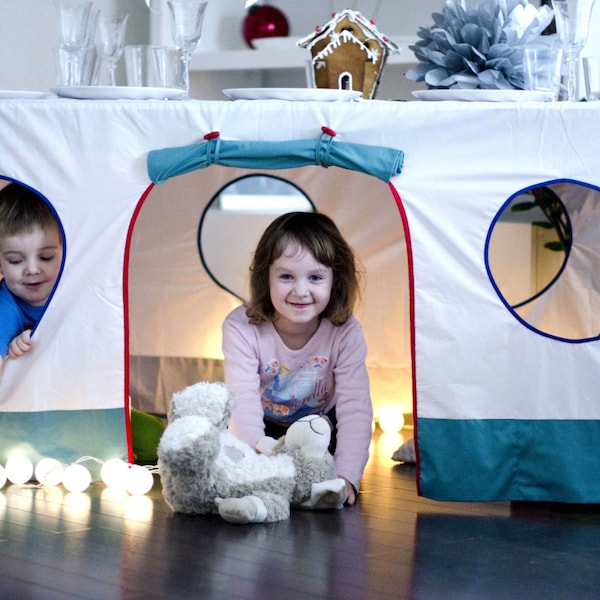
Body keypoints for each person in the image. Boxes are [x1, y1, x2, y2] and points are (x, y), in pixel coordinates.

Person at [222, 211, 373, 506]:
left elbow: (355, 409)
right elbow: (243, 401)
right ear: (266, 277)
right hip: (263, 425)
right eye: (286, 276)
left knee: (318, 468)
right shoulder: (241, 327)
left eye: (315, 277)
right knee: (223, 445)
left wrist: (346, 479)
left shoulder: (346, 332)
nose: (300, 290)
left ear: (335, 280)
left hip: (320, 428)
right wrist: (255, 467)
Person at [0, 182, 63, 360]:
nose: (33, 270)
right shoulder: (6, 305)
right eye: (16, 261)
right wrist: (15, 350)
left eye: (46, 257)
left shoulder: (75, 287)